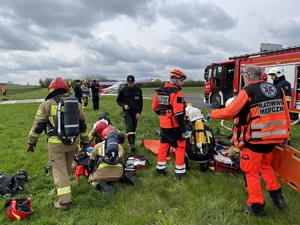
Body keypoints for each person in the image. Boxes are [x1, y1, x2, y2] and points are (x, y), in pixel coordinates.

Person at [206, 64, 291, 216]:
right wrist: (286, 135)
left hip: (254, 140)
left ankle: (256, 206)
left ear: (247, 76)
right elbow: (286, 114)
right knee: (266, 166)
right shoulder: (279, 90)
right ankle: (278, 198)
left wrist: (212, 114)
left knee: (250, 173)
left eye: (243, 75)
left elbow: (230, 112)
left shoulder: (248, 91)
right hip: (273, 139)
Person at [27, 77, 90, 211]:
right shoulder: (76, 104)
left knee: (59, 171)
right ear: (66, 89)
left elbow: (38, 126)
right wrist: (85, 143)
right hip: (72, 142)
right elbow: (83, 126)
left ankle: (64, 202)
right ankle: (64, 190)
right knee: (66, 169)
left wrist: (31, 143)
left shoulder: (47, 105)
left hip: (56, 144)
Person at [152, 68, 188, 179]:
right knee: (180, 148)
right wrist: (184, 129)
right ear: (175, 79)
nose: (182, 83)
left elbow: (154, 108)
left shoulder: (160, 91)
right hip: (174, 127)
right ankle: (179, 172)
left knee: (163, 146)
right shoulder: (176, 93)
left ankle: (160, 169)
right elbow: (178, 114)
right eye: (181, 81)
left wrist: (163, 115)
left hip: (163, 126)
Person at [88, 126, 140, 194]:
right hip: (118, 174)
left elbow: (90, 164)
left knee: (91, 179)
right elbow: (122, 162)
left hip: (102, 175)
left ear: (103, 137)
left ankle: (100, 185)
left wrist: (92, 171)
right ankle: (124, 177)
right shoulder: (120, 147)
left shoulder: (98, 146)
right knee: (119, 173)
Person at [116, 75, 143, 152]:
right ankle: (131, 144)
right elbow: (118, 100)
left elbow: (141, 103)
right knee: (129, 127)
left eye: (131, 82)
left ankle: (133, 142)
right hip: (127, 111)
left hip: (135, 111)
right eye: (129, 82)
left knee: (134, 128)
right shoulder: (123, 90)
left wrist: (139, 113)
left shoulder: (138, 90)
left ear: (134, 82)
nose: (130, 84)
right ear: (127, 82)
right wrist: (124, 105)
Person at [185, 107, 216, 172]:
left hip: (192, 156)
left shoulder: (186, 129)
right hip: (208, 156)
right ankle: (205, 165)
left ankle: (185, 166)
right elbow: (213, 144)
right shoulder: (208, 129)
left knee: (180, 146)